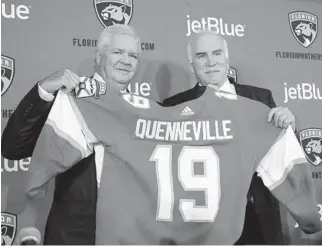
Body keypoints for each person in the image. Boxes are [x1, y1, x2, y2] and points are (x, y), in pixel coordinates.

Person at [25, 73, 321, 244]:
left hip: (163, 233)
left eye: (217, 53)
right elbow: (281, 152)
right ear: (192, 64)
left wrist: (36, 179)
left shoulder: (256, 107)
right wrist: (308, 215)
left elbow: (68, 124)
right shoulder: (141, 109)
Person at [1, 24, 141, 245]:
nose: (126, 60)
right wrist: (45, 90)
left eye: (133, 55)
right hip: (73, 235)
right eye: (118, 52)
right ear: (99, 55)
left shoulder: (144, 111)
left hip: (129, 235)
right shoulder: (70, 97)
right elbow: (12, 146)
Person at [162, 31, 297, 244]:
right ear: (191, 65)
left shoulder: (260, 99)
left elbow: (283, 154)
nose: (211, 62)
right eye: (201, 56)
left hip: (255, 219)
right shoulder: (172, 106)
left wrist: (287, 127)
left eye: (217, 53)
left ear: (227, 58)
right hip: (199, 225)